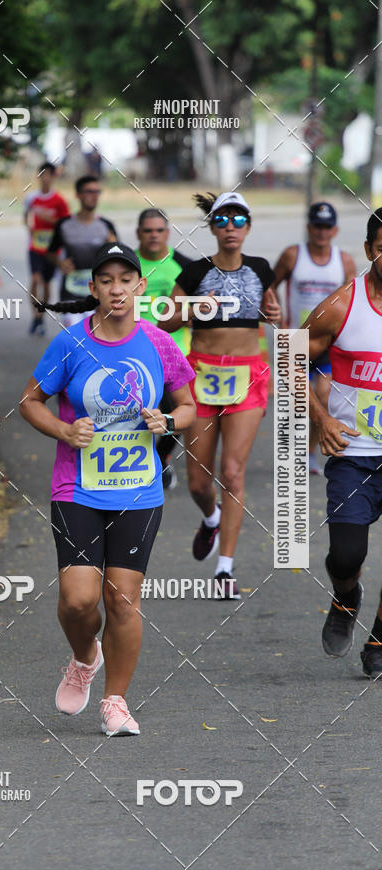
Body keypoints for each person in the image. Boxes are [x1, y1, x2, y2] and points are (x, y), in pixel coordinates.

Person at [19, 242, 196, 735]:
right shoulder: (71, 343)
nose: (116, 289)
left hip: (139, 490)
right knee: (79, 600)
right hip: (77, 487)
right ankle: (83, 657)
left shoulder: (160, 344)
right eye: (105, 280)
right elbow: (30, 402)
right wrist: (63, 430)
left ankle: (116, 701)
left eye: (125, 279)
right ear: (93, 287)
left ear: (140, 285)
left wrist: (168, 420)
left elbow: (189, 405)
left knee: (121, 600)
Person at [159, 191, 281, 599]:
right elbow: (165, 317)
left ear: (248, 226)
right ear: (211, 227)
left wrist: (274, 316)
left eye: (239, 219)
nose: (231, 227)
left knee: (232, 472)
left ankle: (224, 569)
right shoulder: (194, 271)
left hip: (247, 377)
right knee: (198, 481)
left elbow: (270, 312)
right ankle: (210, 518)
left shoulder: (263, 269)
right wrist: (194, 307)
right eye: (223, 220)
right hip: (203, 375)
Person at [305, 208, 382, 678]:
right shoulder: (341, 306)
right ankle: (346, 595)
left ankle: (378, 638)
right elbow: (290, 356)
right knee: (346, 555)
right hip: (354, 454)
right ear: (374, 250)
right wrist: (321, 421)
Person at [273, 202, 356, 474]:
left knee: (322, 394)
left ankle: (309, 452)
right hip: (297, 340)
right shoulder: (292, 255)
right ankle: (291, 449)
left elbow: (353, 301)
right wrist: (279, 322)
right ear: (309, 227)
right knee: (298, 399)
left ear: (335, 230)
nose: (322, 232)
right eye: (317, 226)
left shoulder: (343, 261)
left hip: (329, 342)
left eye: (327, 227)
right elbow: (269, 288)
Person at [135, 207, 193, 489]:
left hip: (175, 352)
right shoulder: (128, 265)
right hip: (135, 351)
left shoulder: (183, 264)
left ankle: (161, 457)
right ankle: (137, 466)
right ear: (138, 234)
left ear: (168, 233)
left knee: (179, 415)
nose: (154, 235)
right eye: (148, 230)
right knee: (136, 414)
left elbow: (197, 312)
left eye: (159, 230)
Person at [45, 175, 118, 329]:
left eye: (98, 192)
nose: (94, 196)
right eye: (89, 191)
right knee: (75, 340)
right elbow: (50, 252)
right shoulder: (64, 224)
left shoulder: (106, 225)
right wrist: (60, 263)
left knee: (96, 341)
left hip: (99, 295)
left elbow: (120, 259)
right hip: (71, 293)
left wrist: (113, 246)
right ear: (78, 195)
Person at [23, 162, 70, 336]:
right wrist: (29, 227)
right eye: (42, 174)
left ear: (53, 177)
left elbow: (66, 224)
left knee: (47, 282)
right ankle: (35, 314)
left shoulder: (59, 200)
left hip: (52, 249)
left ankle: (40, 316)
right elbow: (26, 216)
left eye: (49, 174)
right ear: (38, 176)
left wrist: (49, 220)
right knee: (35, 279)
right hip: (34, 246)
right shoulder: (31, 198)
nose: (45, 178)